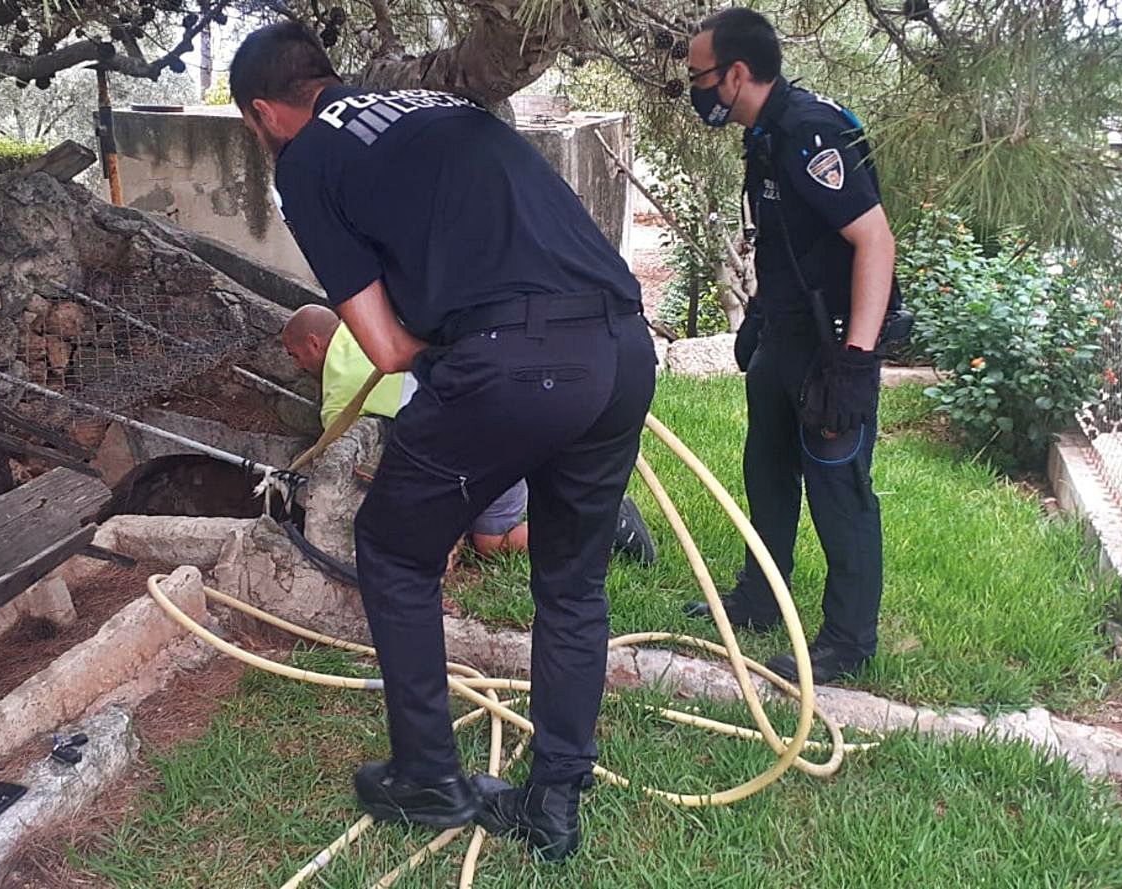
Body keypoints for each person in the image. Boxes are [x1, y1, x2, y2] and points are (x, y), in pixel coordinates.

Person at [230, 22, 656, 859]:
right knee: (570, 584)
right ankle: (552, 802)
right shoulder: (428, 106)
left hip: (514, 360)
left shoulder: (308, 159)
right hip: (622, 344)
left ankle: (427, 775)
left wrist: (480, 350)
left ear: (264, 112)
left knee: (391, 547)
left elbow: (385, 348)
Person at [681, 9, 897, 684]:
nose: (694, 88)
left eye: (699, 76)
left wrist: (855, 360)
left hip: (831, 346)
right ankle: (758, 597)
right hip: (784, 332)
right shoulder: (766, 133)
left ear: (736, 73)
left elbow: (874, 241)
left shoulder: (809, 131)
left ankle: (847, 638)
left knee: (838, 489)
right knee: (766, 470)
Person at [281, 303, 657, 561]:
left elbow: (335, 455)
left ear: (314, 343)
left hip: (484, 425)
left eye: (296, 356)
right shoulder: (369, 327)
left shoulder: (338, 387)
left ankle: (600, 524)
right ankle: (581, 499)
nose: (298, 367)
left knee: (491, 542)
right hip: (513, 397)